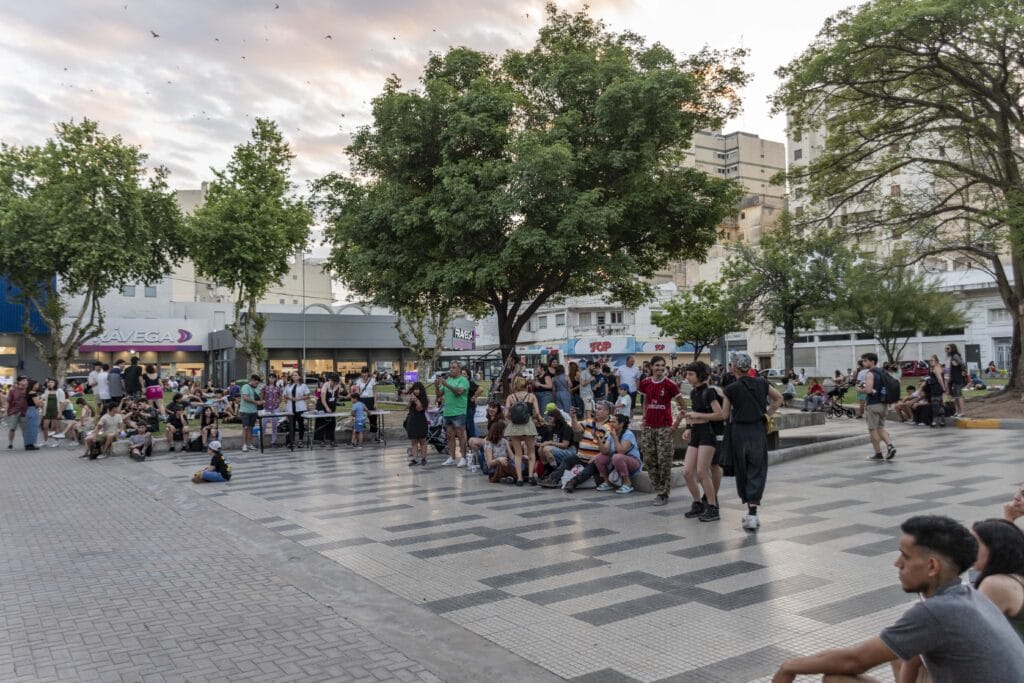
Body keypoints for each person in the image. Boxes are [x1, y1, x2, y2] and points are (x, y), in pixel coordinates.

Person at [772, 515, 1024, 683]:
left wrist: (789, 667)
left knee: (837, 680)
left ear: (932, 566)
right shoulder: (966, 596)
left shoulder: (939, 611)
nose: (897, 563)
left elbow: (855, 660)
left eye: (905, 556)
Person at [719, 353, 783, 531]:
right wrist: (766, 415)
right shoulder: (762, 382)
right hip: (757, 430)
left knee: (743, 469)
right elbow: (778, 399)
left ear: (733, 368)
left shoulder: (730, 389)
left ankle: (750, 511)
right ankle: (753, 513)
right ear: (749, 367)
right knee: (757, 468)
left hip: (738, 432)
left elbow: (724, 415)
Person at [679, 361, 726, 522]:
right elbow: (695, 412)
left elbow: (720, 415)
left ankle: (712, 507)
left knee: (702, 471)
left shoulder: (709, 392)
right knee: (686, 471)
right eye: (687, 374)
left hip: (708, 434)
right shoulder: (694, 393)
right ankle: (698, 503)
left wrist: (698, 416)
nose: (687, 377)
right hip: (697, 433)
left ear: (700, 375)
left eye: (690, 374)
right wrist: (689, 427)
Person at [638, 355, 684, 506]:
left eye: (662, 366)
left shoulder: (670, 384)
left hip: (664, 428)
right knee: (649, 460)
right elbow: (645, 402)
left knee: (664, 462)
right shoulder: (645, 383)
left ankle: (663, 493)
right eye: (656, 365)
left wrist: (675, 426)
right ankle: (659, 489)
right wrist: (644, 420)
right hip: (648, 428)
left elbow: (683, 407)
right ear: (650, 367)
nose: (659, 368)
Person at [971, 519, 1024, 640]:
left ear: (995, 548)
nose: (968, 550)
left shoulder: (996, 584)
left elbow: (973, 633)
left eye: (974, 544)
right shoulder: (1016, 576)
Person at [503, 375, 540, 485]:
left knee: (518, 454)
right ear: (526, 385)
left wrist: (512, 419)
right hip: (528, 424)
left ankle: (519, 479)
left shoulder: (510, 397)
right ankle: (530, 476)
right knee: (531, 452)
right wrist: (532, 418)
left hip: (514, 426)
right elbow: (537, 413)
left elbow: (505, 414)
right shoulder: (531, 396)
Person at [861, 352, 898, 462]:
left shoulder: (870, 373)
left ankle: (878, 454)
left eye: (865, 360)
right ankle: (890, 446)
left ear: (872, 361)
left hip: (873, 404)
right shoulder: (883, 371)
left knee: (872, 430)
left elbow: (868, 390)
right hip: (884, 404)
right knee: (880, 428)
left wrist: (860, 389)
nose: (863, 363)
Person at [594, 413, 642, 494]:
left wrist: (615, 438)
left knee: (617, 457)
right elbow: (604, 451)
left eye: (614, 422)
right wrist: (598, 439)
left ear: (621, 424)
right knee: (599, 458)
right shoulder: (611, 434)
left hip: (633, 462)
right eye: (611, 421)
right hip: (617, 460)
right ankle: (607, 482)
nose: (611, 424)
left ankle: (627, 483)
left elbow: (621, 451)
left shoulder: (628, 434)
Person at [438, 362, 471, 467]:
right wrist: (436, 386)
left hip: (459, 412)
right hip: (448, 412)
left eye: (453, 367)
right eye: (450, 368)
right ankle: (452, 457)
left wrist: (446, 384)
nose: (450, 369)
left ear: (459, 369)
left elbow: (459, 392)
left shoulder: (463, 380)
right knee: (449, 436)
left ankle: (464, 458)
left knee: (461, 436)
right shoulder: (448, 380)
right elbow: (439, 394)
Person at [537, 406, 576, 472]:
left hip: (569, 451)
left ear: (557, 418)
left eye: (551, 417)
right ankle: (547, 469)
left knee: (546, 449)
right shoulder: (552, 428)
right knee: (540, 449)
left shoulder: (566, 427)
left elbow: (565, 445)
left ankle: (555, 471)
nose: (549, 419)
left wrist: (550, 443)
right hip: (558, 450)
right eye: (548, 417)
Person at [283, 371, 310, 448]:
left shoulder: (303, 386)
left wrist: (298, 398)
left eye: (296, 375)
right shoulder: (288, 385)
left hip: (300, 407)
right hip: (290, 408)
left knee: (301, 425)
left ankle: (300, 441)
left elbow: (307, 395)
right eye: (293, 375)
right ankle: (291, 441)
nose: (294, 376)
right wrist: (288, 398)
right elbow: (284, 395)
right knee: (291, 425)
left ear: (299, 376)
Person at [405, 381, 429, 466]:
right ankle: (415, 459)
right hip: (412, 419)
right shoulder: (412, 397)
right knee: (413, 441)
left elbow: (420, 408)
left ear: (421, 390)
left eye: (417, 389)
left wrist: (416, 400)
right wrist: (410, 401)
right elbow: (407, 408)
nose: (416, 391)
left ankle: (423, 458)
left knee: (422, 440)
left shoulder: (425, 399)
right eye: (414, 389)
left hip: (421, 420)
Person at [314, 374, 340, 447]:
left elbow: (337, 396)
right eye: (333, 382)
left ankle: (332, 440)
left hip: (332, 405)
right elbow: (322, 399)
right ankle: (321, 440)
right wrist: (327, 407)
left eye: (336, 383)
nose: (334, 384)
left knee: (332, 422)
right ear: (330, 380)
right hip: (322, 405)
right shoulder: (325, 385)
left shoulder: (337, 385)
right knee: (322, 422)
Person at [239, 374, 262, 452]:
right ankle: (244, 445)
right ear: (252, 380)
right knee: (245, 428)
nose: (257, 384)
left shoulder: (257, 388)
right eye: (256, 383)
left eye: (258, 383)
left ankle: (249, 444)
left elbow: (259, 397)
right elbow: (245, 397)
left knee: (251, 428)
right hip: (245, 411)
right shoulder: (245, 387)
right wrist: (256, 402)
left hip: (254, 411)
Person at [40, 378, 66, 447]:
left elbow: (62, 402)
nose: (50, 383)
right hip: (47, 411)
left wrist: (60, 412)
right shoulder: (47, 391)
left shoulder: (59, 391)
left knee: (56, 427)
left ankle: (56, 442)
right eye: (49, 382)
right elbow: (42, 399)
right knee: (45, 426)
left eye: (52, 382)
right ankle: (45, 441)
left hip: (56, 410)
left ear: (55, 383)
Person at [355, 367, 378, 437]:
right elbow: (357, 393)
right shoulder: (358, 381)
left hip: (370, 400)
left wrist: (375, 402)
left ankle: (375, 436)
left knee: (373, 418)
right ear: (361, 373)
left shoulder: (372, 380)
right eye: (363, 373)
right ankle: (358, 435)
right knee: (360, 418)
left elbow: (374, 392)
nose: (364, 374)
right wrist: (357, 403)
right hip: (362, 400)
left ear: (368, 373)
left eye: (366, 373)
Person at [5, 376, 27, 450]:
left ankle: (26, 443)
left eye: (26, 381)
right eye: (23, 380)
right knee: (12, 428)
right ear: (19, 382)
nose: (25, 382)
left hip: (24, 412)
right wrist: (5, 411)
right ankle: (10, 444)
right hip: (14, 412)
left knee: (25, 429)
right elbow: (8, 402)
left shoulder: (28, 391)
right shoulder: (12, 391)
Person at [261, 372, 283, 447]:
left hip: (275, 408)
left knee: (274, 425)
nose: (271, 379)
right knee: (263, 425)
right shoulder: (265, 387)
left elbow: (280, 397)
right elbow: (261, 396)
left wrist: (277, 403)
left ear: (275, 379)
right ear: (268, 378)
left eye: (273, 378)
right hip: (266, 408)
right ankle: (261, 441)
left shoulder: (278, 388)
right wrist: (263, 402)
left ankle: (274, 441)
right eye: (270, 377)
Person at [945, 343, 967, 417]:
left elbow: (963, 364)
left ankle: (962, 412)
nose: (946, 350)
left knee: (958, 395)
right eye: (946, 349)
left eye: (948, 349)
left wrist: (963, 372)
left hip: (957, 378)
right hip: (953, 379)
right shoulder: (952, 356)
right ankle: (957, 412)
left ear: (952, 349)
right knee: (955, 396)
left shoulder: (955, 356)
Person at [23, 379, 42, 450]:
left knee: (29, 428)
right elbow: (37, 404)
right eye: (37, 384)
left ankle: (28, 444)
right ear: (33, 385)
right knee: (33, 428)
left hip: (29, 410)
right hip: (33, 410)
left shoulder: (28, 392)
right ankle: (31, 444)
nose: (38, 386)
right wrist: (41, 400)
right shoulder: (33, 393)